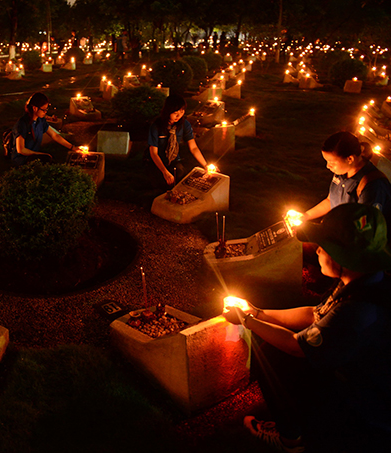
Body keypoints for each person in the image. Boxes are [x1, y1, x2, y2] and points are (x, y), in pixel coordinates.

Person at [224, 203, 391, 452]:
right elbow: (315, 314)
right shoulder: (365, 280)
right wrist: (257, 312)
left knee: (271, 357)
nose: (318, 250)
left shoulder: (358, 311)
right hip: (363, 375)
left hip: (369, 404)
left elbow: (296, 347)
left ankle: (291, 440)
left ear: (342, 258)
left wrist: (246, 321)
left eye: (324, 247)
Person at [302, 131, 391, 225]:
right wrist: (305, 216)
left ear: (350, 159)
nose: (328, 166)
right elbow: (330, 201)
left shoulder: (372, 185)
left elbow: (363, 226)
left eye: (331, 162)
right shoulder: (342, 172)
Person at [146, 93, 208, 190]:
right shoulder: (156, 126)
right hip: (157, 161)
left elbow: (193, 147)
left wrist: (205, 165)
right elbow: (153, 152)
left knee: (180, 176)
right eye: (175, 113)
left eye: (182, 111)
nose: (179, 115)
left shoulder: (184, 125)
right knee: (161, 183)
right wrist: (165, 172)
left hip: (174, 160)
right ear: (168, 111)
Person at [11, 92, 78, 166]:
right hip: (22, 160)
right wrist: (40, 154)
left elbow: (54, 135)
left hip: (33, 155)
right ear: (35, 108)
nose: (45, 112)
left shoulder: (40, 120)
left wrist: (72, 147)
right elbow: (21, 149)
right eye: (43, 110)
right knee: (49, 161)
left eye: (46, 109)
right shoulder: (22, 124)